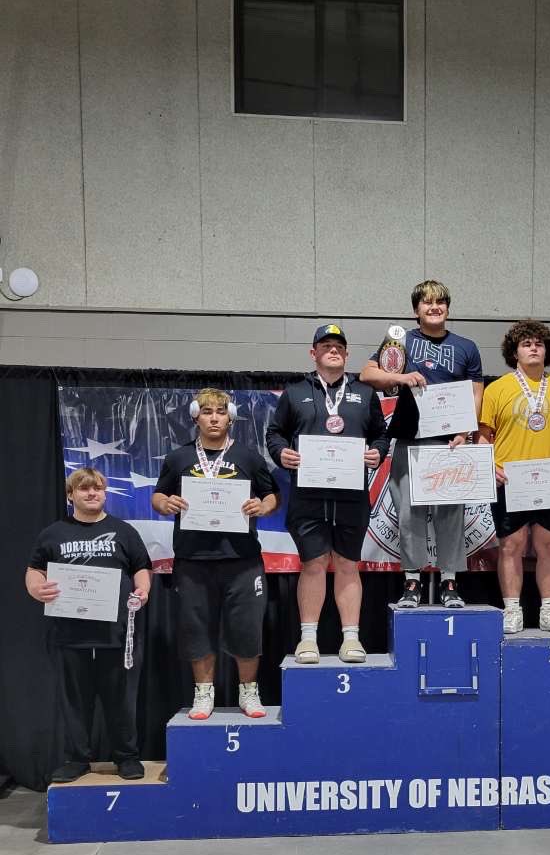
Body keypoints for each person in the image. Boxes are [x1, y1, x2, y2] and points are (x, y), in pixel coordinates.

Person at [266, 324, 389, 664]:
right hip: (309, 494)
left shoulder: (365, 394)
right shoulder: (294, 393)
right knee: (313, 563)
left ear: (347, 355)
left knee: (349, 564)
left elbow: (380, 435)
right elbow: (275, 434)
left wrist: (376, 452)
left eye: (339, 346)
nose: (333, 350)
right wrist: (281, 454)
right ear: (313, 352)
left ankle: (351, 638)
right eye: (326, 345)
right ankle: (309, 639)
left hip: (351, 494)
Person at [153, 388, 278, 720]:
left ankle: (248, 692)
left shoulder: (249, 457)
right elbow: (158, 495)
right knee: (197, 629)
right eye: (207, 411)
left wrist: (261, 507)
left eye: (220, 411)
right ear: (195, 415)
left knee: (247, 629)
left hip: (243, 560)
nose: (213, 417)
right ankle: (203, 694)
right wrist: (165, 504)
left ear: (230, 416)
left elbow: (271, 496)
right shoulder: (178, 458)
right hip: (194, 560)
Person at [360, 279, 483, 609]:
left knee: (450, 514)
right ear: (416, 310)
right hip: (410, 439)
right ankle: (412, 582)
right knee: (408, 514)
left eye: (440, 302)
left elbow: (475, 392)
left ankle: (450, 583)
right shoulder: (400, 341)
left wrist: (467, 430)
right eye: (427, 302)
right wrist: (401, 378)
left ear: (447, 308)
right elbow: (368, 374)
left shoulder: (466, 346)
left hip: (449, 443)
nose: (434, 307)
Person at [26, 467, 152, 782]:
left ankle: (126, 757)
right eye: (84, 489)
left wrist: (143, 590)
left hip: (116, 632)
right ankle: (77, 758)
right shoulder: (53, 533)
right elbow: (34, 570)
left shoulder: (123, 531)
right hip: (69, 632)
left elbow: (141, 567)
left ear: (104, 493)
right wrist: (35, 587)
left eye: (97, 488)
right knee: (74, 699)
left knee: (121, 698)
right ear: (71, 496)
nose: (92, 493)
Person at [478, 320, 550, 633]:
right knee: (511, 546)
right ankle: (512, 610)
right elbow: (484, 435)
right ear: (515, 353)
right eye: (526, 344)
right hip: (510, 480)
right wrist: (490, 467)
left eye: (539, 343)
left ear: (547, 351)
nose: (533, 348)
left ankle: (549, 611)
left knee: (549, 547)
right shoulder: (497, 389)